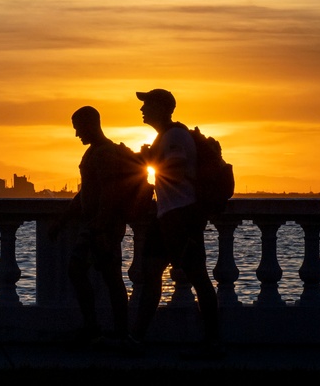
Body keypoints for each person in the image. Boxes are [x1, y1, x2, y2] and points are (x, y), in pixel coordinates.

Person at [130, 88, 223, 359]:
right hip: (166, 217)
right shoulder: (166, 136)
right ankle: (136, 337)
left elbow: (175, 170)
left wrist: (146, 159)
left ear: (162, 107)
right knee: (150, 276)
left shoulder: (174, 137)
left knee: (199, 279)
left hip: (182, 218)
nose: (142, 109)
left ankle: (214, 341)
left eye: (147, 104)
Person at [48, 106, 133, 347]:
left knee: (110, 277)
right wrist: (63, 221)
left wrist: (100, 226)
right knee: (102, 275)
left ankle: (116, 331)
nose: (77, 135)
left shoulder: (104, 153)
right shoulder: (94, 153)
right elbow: (87, 192)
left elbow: (110, 192)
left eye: (79, 128)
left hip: (101, 227)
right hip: (95, 225)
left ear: (91, 124)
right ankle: (101, 329)